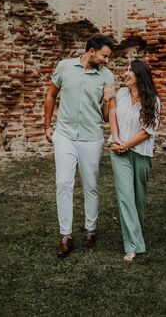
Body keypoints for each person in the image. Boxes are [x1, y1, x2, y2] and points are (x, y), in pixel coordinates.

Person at [44, 34, 115, 258]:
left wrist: (106, 99)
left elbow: (106, 116)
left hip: (91, 137)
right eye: (104, 56)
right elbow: (51, 94)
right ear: (91, 51)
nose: (106, 61)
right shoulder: (64, 67)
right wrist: (47, 126)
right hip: (64, 135)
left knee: (90, 184)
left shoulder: (107, 76)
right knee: (63, 183)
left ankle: (90, 230)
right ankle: (66, 236)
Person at [109, 59, 160, 263]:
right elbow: (111, 114)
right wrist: (116, 138)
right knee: (125, 197)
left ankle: (135, 232)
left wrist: (125, 145)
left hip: (140, 152)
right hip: (118, 151)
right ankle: (132, 245)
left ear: (140, 75)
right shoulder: (120, 94)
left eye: (130, 70)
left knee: (139, 198)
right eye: (126, 69)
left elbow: (147, 131)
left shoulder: (154, 100)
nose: (126, 72)